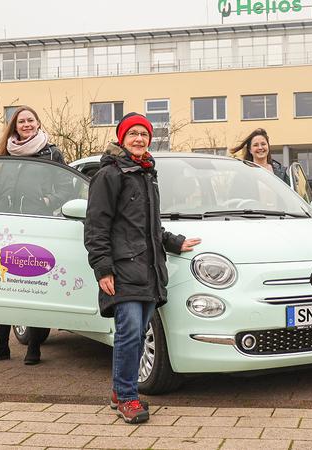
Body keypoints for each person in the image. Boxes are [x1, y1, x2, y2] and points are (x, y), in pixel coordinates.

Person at [84, 112, 201, 424]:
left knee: (137, 334)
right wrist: (102, 268)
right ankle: (126, 397)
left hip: (148, 269)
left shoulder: (146, 173)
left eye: (144, 134)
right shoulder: (109, 174)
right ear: (121, 138)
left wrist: (174, 242)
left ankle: (118, 390)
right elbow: (96, 226)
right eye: (133, 133)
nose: (138, 139)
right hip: (122, 268)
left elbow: (149, 226)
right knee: (130, 332)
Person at [0, 105, 67, 366]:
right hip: (5, 228)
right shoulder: (4, 155)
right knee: (3, 285)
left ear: (38, 123)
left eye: (30, 120)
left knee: (33, 285)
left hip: (38, 225)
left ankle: (34, 345)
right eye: (21, 121)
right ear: (15, 126)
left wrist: (47, 200)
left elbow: (67, 187)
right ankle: (1, 345)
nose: (26, 124)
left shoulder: (51, 153)